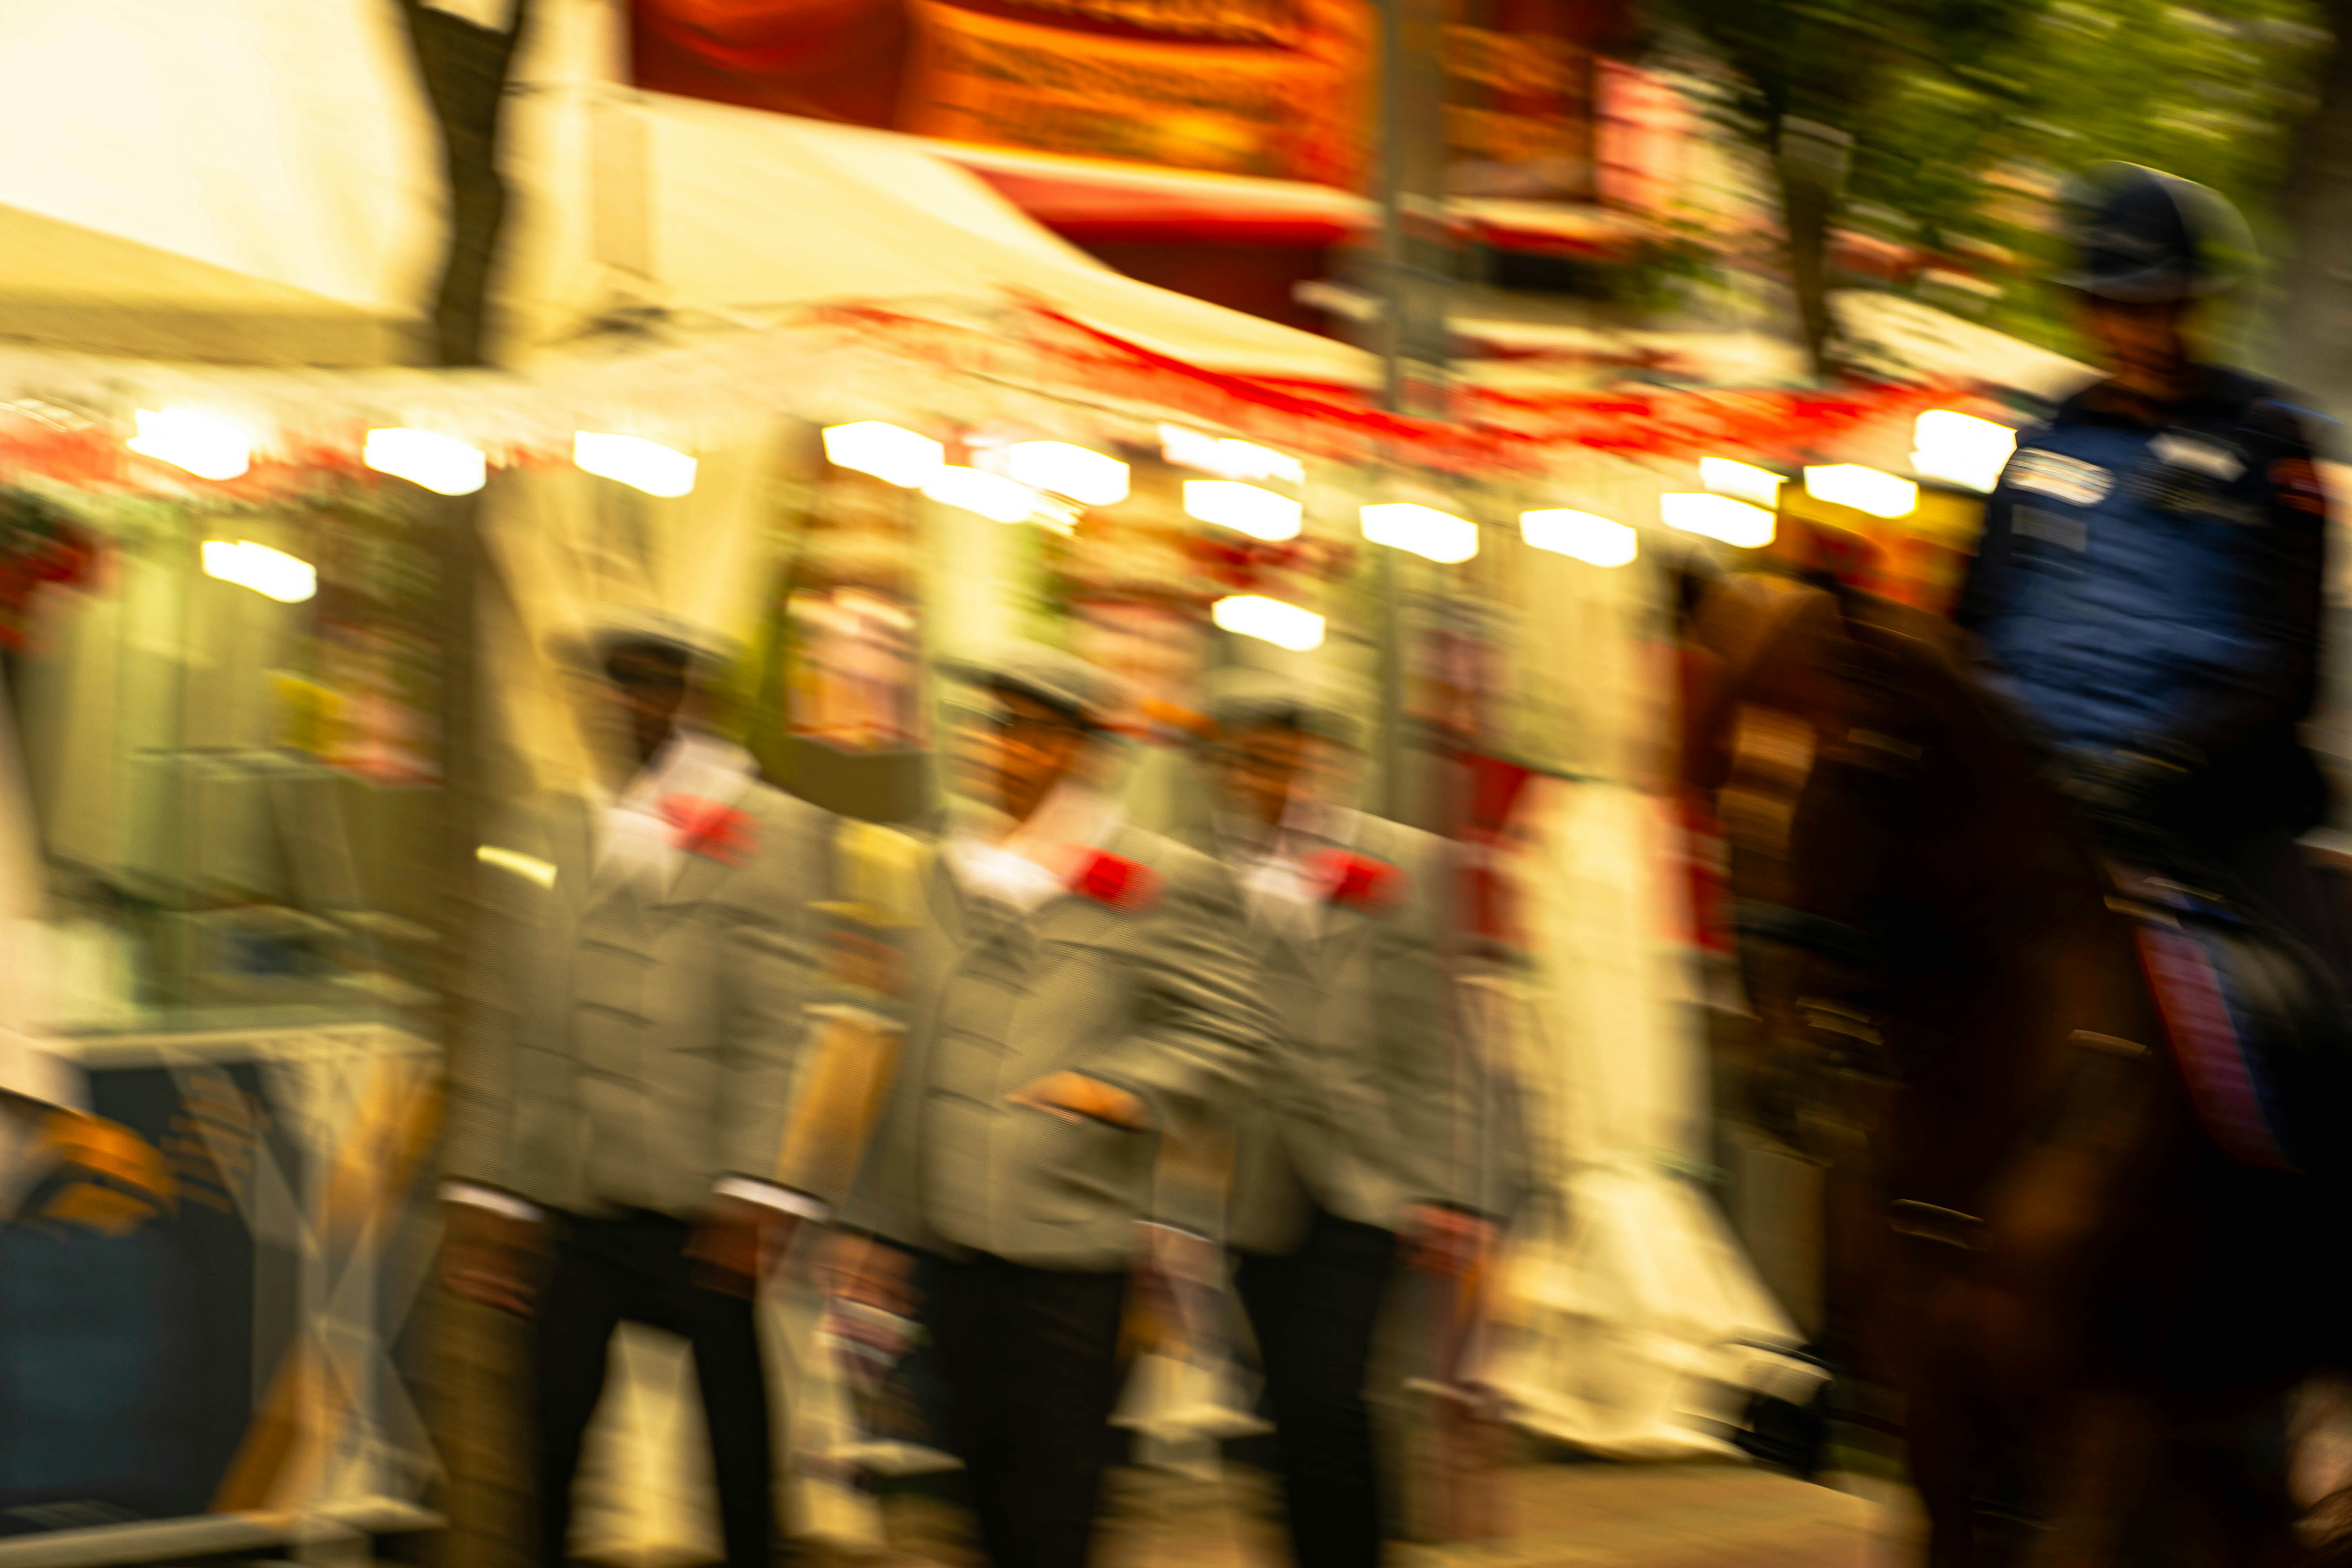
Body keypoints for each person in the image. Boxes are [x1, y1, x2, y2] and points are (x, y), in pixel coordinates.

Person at [816, 642, 1272, 1568]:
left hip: (1070, 1231)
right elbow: (920, 1049)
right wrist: (878, 1223)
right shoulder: (949, 867)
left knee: (1055, 1488)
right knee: (972, 1481)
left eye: (1028, 732)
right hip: (948, 1233)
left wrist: (1118, 1090)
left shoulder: (1151, 878)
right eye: (993, 727)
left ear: (1080, 751)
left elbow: (1233, 1035)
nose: (1001, 750)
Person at [439, 609, 837, 1568]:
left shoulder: (770, 831)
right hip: (570, 1194)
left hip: (706, 1207)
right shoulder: (550, 825)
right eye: (613, 683)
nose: (629, 704)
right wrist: (488, 1189)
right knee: (551, 1440)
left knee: (738, 1457)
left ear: (698, 697)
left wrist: (757, 1187)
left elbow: (779, 1023)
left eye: (654, 682)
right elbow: (506, 1010)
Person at [1957, 163, 2336, 949]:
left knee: (2323, 1011)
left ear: (2205, 304)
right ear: (2083, 310)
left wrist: (2157, 767)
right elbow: (1972, 625)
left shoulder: (2271, 445)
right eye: (2119, 308)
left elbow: (2293, 670)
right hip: (2024, 786)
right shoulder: (2040, 443)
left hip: (2209, 807)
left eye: (2166, 307)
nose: (2143, 333)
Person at [1194, 667, 1495, 1568]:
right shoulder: (1196, 877)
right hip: (1246, 1180)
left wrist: (1449, 1189)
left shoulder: (1400, 867)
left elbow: (1437, 1042)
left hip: (1368, 1178)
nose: (1263, 783)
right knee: (1280, 1400)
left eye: (1282, 762)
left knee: (1332, 1390)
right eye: (1245, 764)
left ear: (1320, 763)